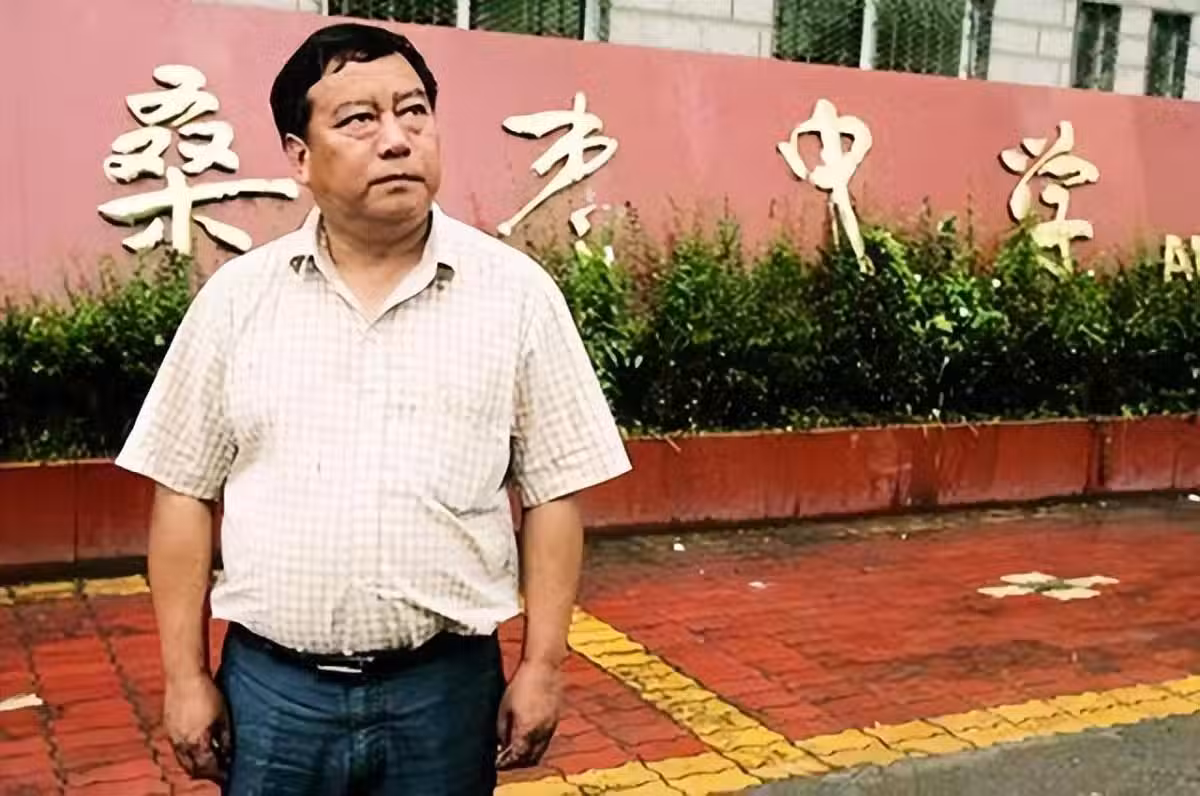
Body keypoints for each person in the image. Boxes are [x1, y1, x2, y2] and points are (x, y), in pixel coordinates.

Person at [115, 21, 631, 795]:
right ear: (299, 157)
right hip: (274, 695)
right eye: (359, 119)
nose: (396, 139)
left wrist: (543, 666)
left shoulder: (516, 296)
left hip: (445, 693)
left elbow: (555, 491)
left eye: (413, 111)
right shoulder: (237, 302)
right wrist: (184, 677)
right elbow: (183, 490)